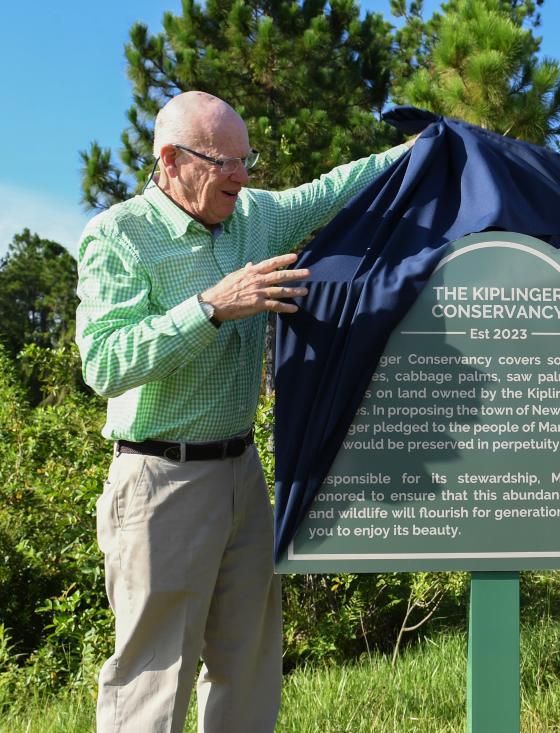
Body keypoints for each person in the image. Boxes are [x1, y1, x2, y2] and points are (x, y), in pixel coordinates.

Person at [75, 90, 412, 733]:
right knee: (154, 674)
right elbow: (105, 363)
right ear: (171, 160)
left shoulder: (253, 216)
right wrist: (209, 307)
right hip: (158, 482)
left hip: (242, 472)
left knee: (250, 661)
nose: (242, 175)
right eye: (222, 161)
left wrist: (414, 152)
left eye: (245, 158)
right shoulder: (118, 236)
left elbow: (329, 190)